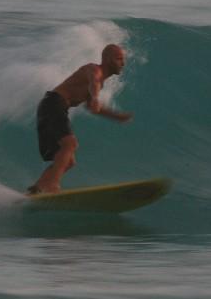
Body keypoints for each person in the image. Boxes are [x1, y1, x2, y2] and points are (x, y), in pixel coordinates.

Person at [27, 44, 133, 194]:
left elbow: (91, 106)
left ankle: (36, 189)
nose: (123, 63)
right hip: (54, 103)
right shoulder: (93, 69)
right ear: (108, 59)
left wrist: (116, 116)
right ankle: (52, 185)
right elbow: (93, 82)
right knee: (70, 144)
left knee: (68, 162)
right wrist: (95, 97)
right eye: (119, 59)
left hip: (52, 106)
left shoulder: (100, 81)